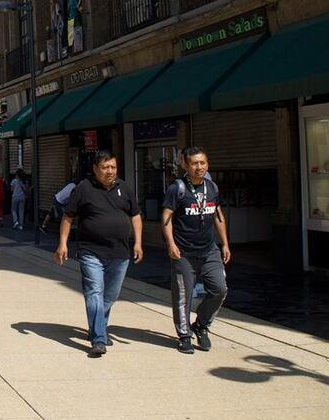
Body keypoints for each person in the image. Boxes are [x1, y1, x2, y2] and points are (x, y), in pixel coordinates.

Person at [55, 151, 143, 357]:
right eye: (105, 167)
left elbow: (136, 215)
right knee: (94, 292)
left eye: (113, 167)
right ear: (95, 169)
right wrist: (62, 243)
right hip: (90, 251)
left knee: (110, 295)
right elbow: (68, 217)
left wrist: (138, 242)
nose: (110, 171)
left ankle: (98, 327)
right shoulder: (83, 189)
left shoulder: (125, 188)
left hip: (120, 253)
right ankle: (99, 338)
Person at [162, 146, 230, 354]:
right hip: (184, 252)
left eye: (203, 163)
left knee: (220, 289)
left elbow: (218, 216)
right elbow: (166, 218)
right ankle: (184, 336)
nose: (199, 167)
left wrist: (225, 243)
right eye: (194, 163)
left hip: (209, 250)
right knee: (183, 296)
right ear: (185, 164)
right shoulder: (178, 188)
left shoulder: (212, 188)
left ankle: (201, 325)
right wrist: (171, 245)